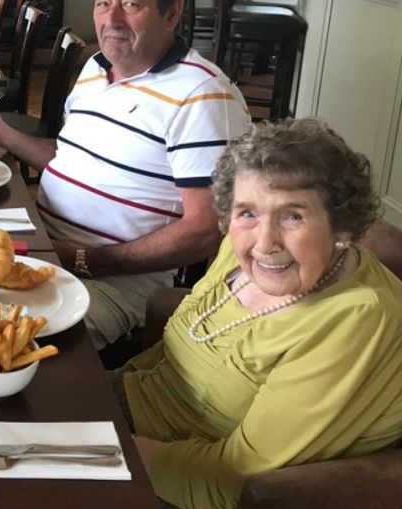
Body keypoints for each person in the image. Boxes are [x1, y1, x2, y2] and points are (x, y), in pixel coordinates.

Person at [0, 0, 251, 350]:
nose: (111, 20)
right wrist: (3, 134)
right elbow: (72, 160)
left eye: (130, 4)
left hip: (116, 285)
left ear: (172, 13)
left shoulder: (203, 96)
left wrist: (84, 261)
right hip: (43, 246)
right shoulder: (97, 69)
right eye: (102, 3)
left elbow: (205, 231)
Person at [121, 119, 402, 509]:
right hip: (127, 403)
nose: (265, 243)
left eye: (293, 216)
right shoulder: (241, 250)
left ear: (341, 225)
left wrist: (112, 451)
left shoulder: (357, 318)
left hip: (177, 478)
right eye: (247, 213)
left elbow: (233, 478)